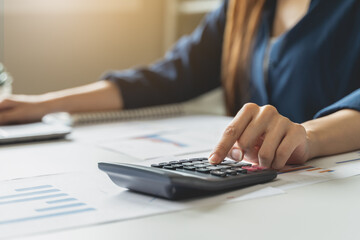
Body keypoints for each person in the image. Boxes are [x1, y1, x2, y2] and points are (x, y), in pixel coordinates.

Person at [0, 0, 359, 169]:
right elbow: (168, 77)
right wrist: (43, 104)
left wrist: (308, 136)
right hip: (263, 183)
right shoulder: (243, 8)